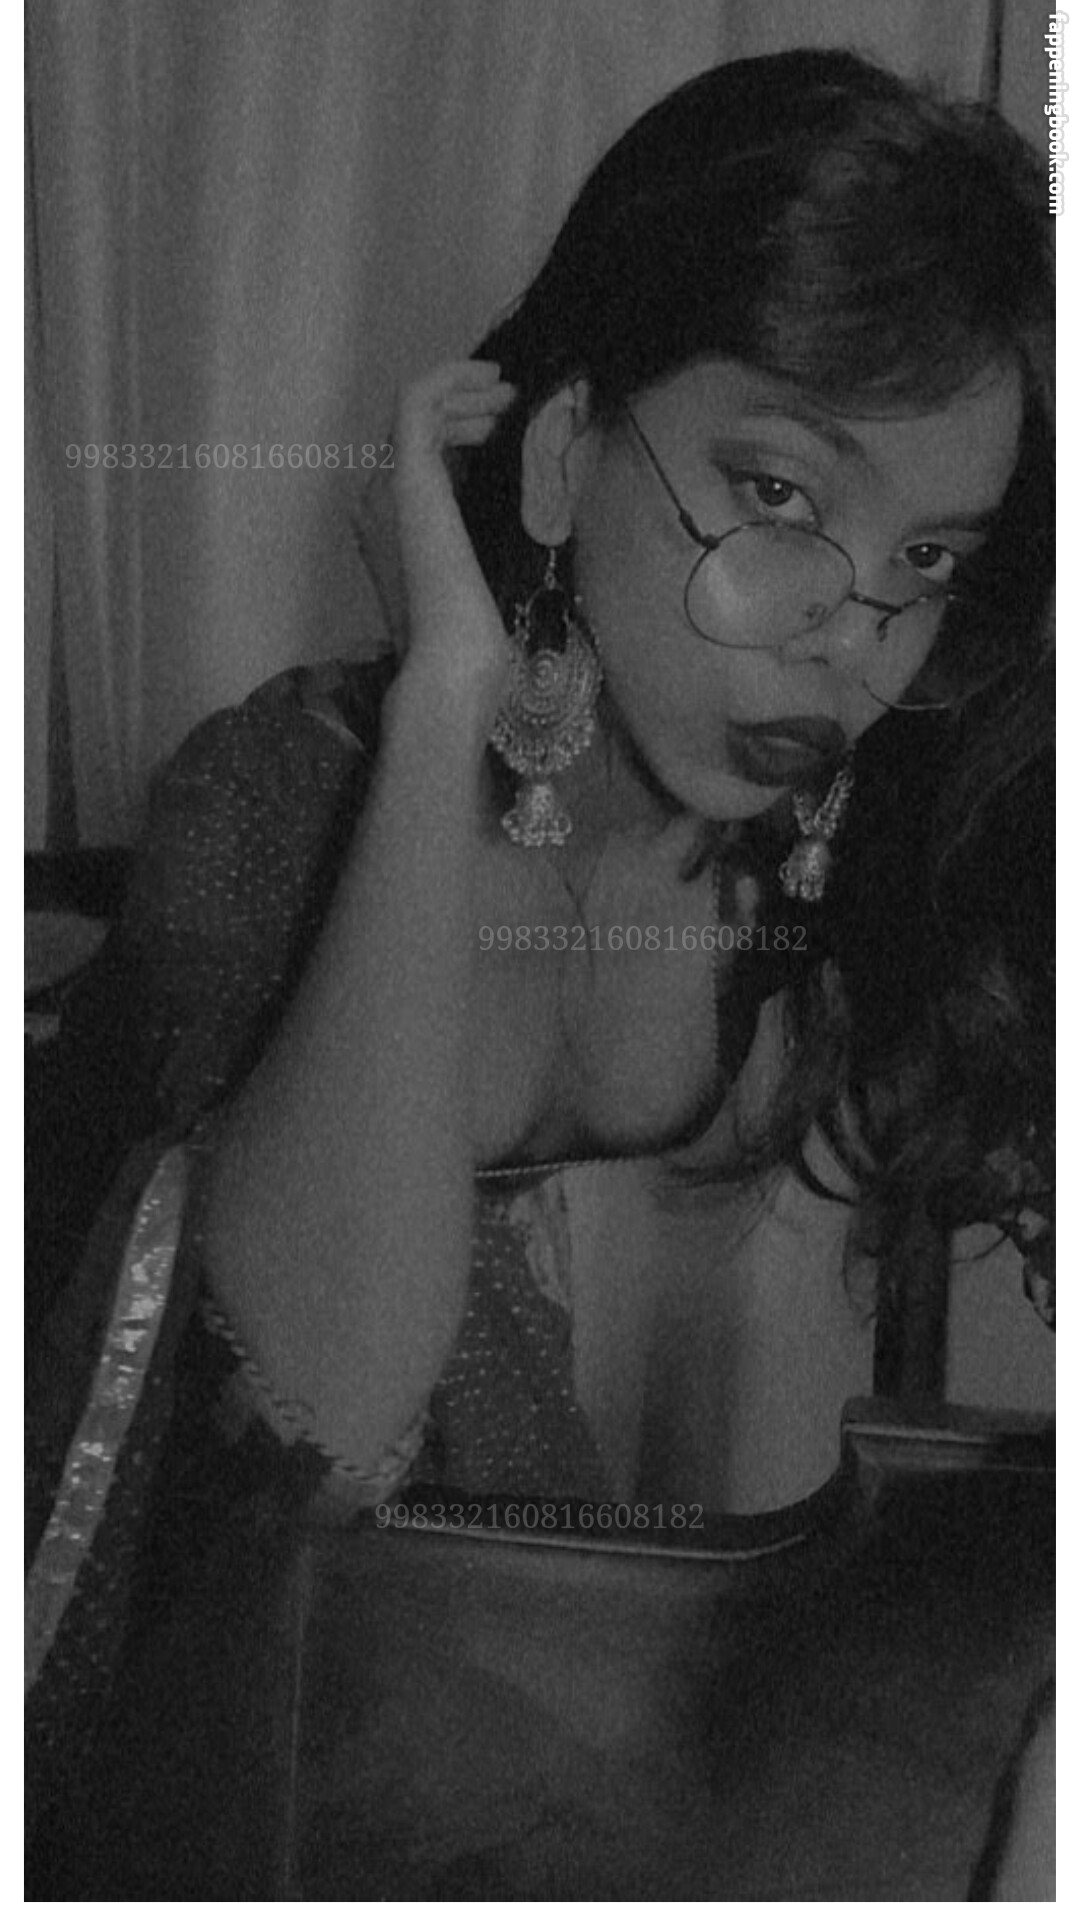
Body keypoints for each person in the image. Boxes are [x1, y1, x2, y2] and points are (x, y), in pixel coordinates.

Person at [26, 45, 1053, 1854]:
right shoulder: (282, 807)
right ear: (569, 458)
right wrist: (450, 694)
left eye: (932, 560)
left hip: (521, 1719)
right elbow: (313, 1435)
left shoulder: (859, 831)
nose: (849, 641)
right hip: (181, 1707)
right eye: (779, 498)